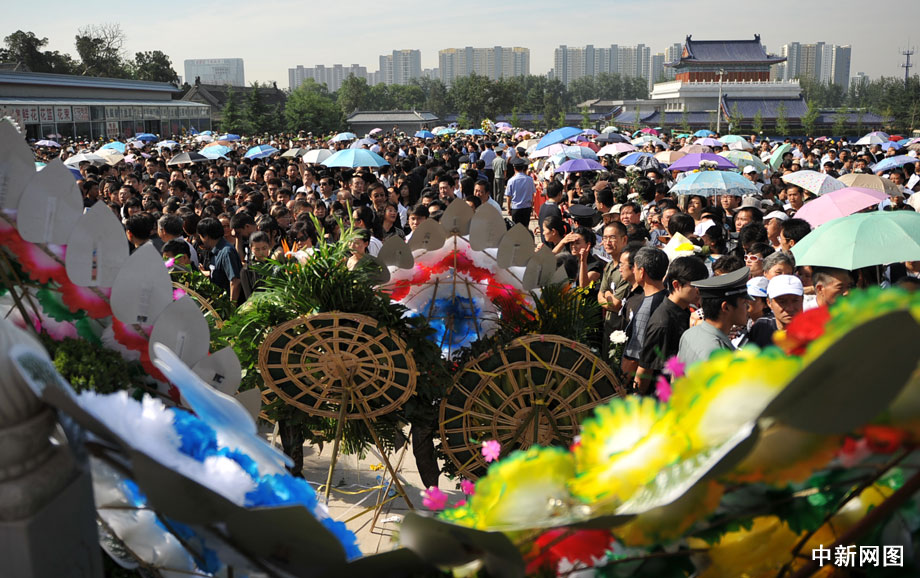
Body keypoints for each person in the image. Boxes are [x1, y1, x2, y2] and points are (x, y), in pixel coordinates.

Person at [635, 256, 709, 393]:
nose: (700, 291)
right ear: (676, 285)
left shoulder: (684, 310)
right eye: (696, 286)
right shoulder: (663, 322)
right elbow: (645, 369)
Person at [678, 267, 752, 365]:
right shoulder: (717, 354)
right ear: (726, 307)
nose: (748, 308)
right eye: (744, 303)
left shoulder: (690, 334)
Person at [621, 247, 669, 379]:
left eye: (635, 268)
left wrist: (622, 384)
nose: (633, 271)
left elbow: (634, 357)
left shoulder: (647, 307)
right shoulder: (668, 298)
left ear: (641, 272)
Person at [748, 275, 804, 348]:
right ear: (769, 303)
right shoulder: (761, 328)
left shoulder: (814, 331)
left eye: (795, 301)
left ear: (802, 299)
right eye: (782, 302)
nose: (790, 308)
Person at [197, 217, 243, 303]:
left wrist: (232, 306)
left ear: (206, 236)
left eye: (200, 236)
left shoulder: (226, 252)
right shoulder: (215, 251)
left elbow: (235, 282)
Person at [505, 157, 535, 226]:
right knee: (525, 228)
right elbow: (532, 194)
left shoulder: (511, 181)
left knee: (516, 229)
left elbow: (508, 196)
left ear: (514, 168)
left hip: (516, 208)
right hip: (527, 208)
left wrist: (508, 208)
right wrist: (532, 207)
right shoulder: (530, 179)